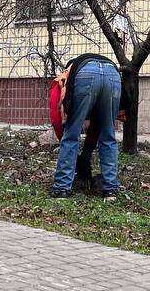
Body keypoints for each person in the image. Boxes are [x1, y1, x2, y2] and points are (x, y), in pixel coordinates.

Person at [50, 54, 122, 199]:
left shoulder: (64, 78)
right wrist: (86, 153)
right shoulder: (88, 71)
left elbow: (57, 121)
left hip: (87, 76)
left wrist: (66, 140)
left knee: (71, 134)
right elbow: (98, 126)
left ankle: (62, 188)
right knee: (108, 135)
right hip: (113, 74)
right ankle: (110, 189)